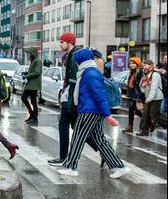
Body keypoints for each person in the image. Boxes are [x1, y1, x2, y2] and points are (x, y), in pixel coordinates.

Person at [57, 48, 130, 179]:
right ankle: (119, 166)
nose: (76, 64)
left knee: (77, 138)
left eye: (77, 61)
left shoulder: (89, 73)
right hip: (93, 110)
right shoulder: (90, 72)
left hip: (89, 111)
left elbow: (99, 95)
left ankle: (71, 166)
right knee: (100, 140)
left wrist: (108, 116)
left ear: (82, 61)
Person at [48, 32, 81, 166]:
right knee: (78, 128)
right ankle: (103, 151)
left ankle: (63, 157)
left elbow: (73, 81)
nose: (60, 44)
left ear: (70, 43)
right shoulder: (71, 55)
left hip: (71, 100)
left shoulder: (74, 57)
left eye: (62, 42)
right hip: (70, 99)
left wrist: (70, 101)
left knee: (64, 126)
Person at [136, 60, 167, 136]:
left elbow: (154, 87)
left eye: (146, 65)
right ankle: (144, 130)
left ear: (151, 65)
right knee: (145, 114)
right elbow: (142, 85)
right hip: (148, 97)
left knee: (154, 114)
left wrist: (149, 98)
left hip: (156, 97)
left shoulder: (155, 74)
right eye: (144, 65)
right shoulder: (146, 74)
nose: (144, 67)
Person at [21, 47, 42, 125]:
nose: (28, 54)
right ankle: (32, 115)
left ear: (32, 53)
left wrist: (26, 76)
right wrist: (26, 73)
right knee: (24, 98)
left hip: (34, 85)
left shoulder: (38, 61)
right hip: (30, 84)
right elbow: (33, 71)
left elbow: (36, 72)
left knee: (33, 101)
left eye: (29, 53)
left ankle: (34, 117)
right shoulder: (33, 60)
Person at [122, 58, 144, 133]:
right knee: (131, 110)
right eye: (130, 63)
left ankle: (149, 122)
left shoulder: (140, 72)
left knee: (137, 111)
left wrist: (139, 96)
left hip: (137, 94)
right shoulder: (131, 72)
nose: (131, 65)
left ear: (137, 64)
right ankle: (130, 126)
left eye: (133, 63)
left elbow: (140, 85)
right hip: (131, 93)